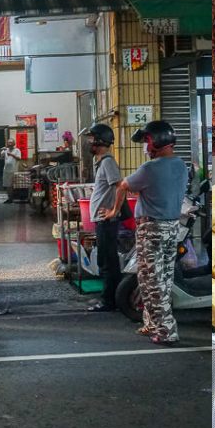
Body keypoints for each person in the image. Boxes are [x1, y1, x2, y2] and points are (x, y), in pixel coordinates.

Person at [103, 120, 187, 344]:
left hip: (152, 229)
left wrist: (113, 211)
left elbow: (122, 185)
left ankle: (166, 332)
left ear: (155, 141)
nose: (144, 147)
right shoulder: (181, 165)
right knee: (163, 279)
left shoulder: (150, 169)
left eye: (146, 141)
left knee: (151, 281)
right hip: (171, 228)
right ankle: (151, 323)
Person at [85, 123, 122, 312]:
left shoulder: (107, 162)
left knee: (108, 261)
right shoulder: (102, 162)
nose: (89, 142)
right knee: (106, 259)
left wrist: (113, 211)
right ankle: (111, 298)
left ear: (100, 140)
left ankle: (109, 301)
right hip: (103, 221)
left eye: (92, 139)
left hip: (107, 221)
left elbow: (119, 186)